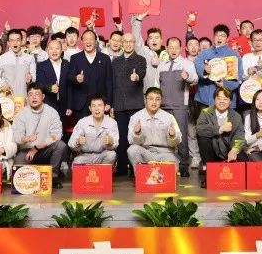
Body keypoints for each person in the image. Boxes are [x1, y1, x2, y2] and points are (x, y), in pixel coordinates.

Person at [155, 37, 198, 177]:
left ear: (180, 48)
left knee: (181, 137)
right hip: (163, 106)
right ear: (167, 48)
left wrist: (187, 76)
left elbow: (195, 79)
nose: (173, 50)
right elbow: (156, 85)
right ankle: (166, 165)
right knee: (164, 137)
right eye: (171, 47)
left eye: (176, 47)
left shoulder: (187, 64)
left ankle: (184, 166)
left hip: (180, 105)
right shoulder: (161, 65)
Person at [11, 83, 67, 188]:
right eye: (30, 94)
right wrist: (25, 138)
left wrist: (37, 147)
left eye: (37, 94)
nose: (34, 97)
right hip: (27, 152)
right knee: (19, 175)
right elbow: (16, 135)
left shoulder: (52, 112)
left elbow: (56, 135)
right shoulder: (21, 114)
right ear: (27, 98)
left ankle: (53, 177)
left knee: (60, 145)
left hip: (46, 150)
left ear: (43, 96)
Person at [111, 32, 148, 175]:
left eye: (130, 41)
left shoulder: (140, 59)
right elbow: (112, 84)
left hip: (135, 105)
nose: (128, 44)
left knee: (136, 136)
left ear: (134, 43)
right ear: (121, 43)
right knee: (121, 137)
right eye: (125, 41)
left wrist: (137, 76)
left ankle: (135, 169)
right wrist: (112, 104)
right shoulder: (115, 61)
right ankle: (121, 167)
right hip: (119, 105)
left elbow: (142, 73)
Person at [196, 88, 245, 187]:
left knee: (242, 156)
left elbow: (240, 136)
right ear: (214, 99)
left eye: (225, 99)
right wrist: (220, 129)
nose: (222, 101)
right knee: (203, 140)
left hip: (228, 151)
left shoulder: (236, 116)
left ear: (230, 101)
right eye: (219, 98)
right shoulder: (206, 112)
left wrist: (234, 149)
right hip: (211, 151)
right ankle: (208, 175)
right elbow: (199, 129)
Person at [126, 88, 182, 173]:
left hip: (165, 153)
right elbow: (131, 140)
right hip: (146, 153)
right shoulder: (136, 117)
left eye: (157, 99)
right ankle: (141, 175)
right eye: (151, 99)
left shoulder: (169, 117)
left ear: (161, 100)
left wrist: (173, 136)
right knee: (132, 150)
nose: (154, 102)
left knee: (174, 169)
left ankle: (154, 174)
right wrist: (137, 133)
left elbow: (178, 141)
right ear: (145, 100)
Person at [65, 29, 114, 120]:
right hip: (81, 105)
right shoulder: (75, 58)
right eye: (85, 39)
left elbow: (109, 82)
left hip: (100, 104)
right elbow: (69, 78)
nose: (88, 42)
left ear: (95, 41)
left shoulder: (105, 59)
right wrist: (76, 78)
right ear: (82, 41)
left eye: (91, 39)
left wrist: (109, 103)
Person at [195, 24, 243, 110]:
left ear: (227, 38)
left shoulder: (234, 55)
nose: (219, 38)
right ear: (213, 37)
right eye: (217, 35)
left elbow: (238, 78)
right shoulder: (204, 53)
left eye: (222, 35)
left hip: (226, 99)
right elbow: (198, 66)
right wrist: (204, 70)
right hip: (204, 99)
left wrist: (225, 84)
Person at [68, 94, 118, 165]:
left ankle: (103, 171)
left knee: (111, 155)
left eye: (100, 105)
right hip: (85, 156)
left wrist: (111, 141)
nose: (96, 109)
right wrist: (77, 142)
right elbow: (70, 143)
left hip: (102, 155)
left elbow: (116, 144)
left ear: (105, 107)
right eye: (93, 106)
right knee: (76, 163)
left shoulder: (112, 122)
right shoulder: (83, 122)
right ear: (90, 108)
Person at [35, 38, 70, 119]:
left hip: (64, 106)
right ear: (47, 50)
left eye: (57, 48)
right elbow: (39, 84)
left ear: (61, 50)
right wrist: (50, 88)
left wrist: (69, 106)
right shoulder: (41, 66)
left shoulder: (67, 64)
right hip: (47, 105)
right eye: (51, 48)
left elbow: (70, 87)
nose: (54, 51)